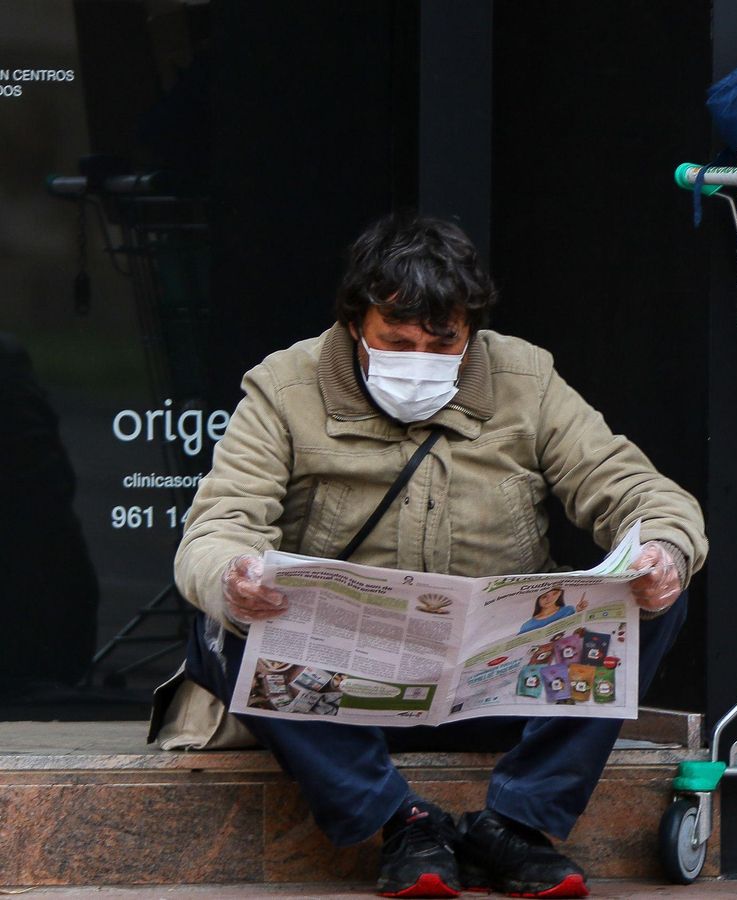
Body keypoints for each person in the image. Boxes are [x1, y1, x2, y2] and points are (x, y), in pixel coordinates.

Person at [173, 213, 706, 900]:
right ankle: (404, 824)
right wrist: (234, 577)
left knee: (653, 594)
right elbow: (217, 527)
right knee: (223, 623)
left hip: (496, 683)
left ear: (471, 330)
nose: (419, 357)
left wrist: (662, 549)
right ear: (355, 324)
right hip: (340, 691)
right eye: (397, 340)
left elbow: (637, 490)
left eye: (443, 341)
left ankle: (515, 824)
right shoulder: (285, 387)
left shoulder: (527, 379)